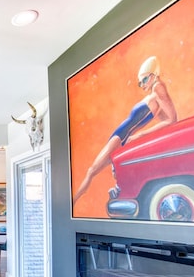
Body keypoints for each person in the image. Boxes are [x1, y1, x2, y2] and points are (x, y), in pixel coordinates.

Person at [73, 56, 177, 204]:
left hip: (122, 137)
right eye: (139, 82)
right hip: (120, 135)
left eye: (145, 80)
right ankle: (73, 202)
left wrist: (140, 135)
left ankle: (73, 200)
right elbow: (164, 119)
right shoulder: (154, 96)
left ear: (154, 75)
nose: (142, 85)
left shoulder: (158, 88)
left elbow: (171, 119)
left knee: (91, 171)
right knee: (95, 170)